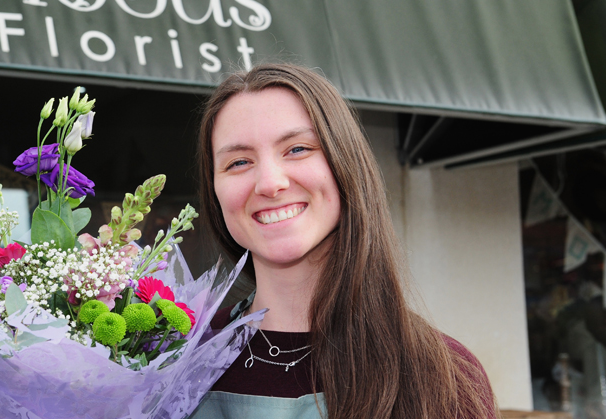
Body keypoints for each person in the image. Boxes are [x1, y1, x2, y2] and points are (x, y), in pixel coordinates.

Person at [189, 63, 500, 419]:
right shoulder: (173, 362)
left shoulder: (445, 377)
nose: (269, 183)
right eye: (239, 161)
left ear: (345, 164)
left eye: (297, 149)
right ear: (214, 191)